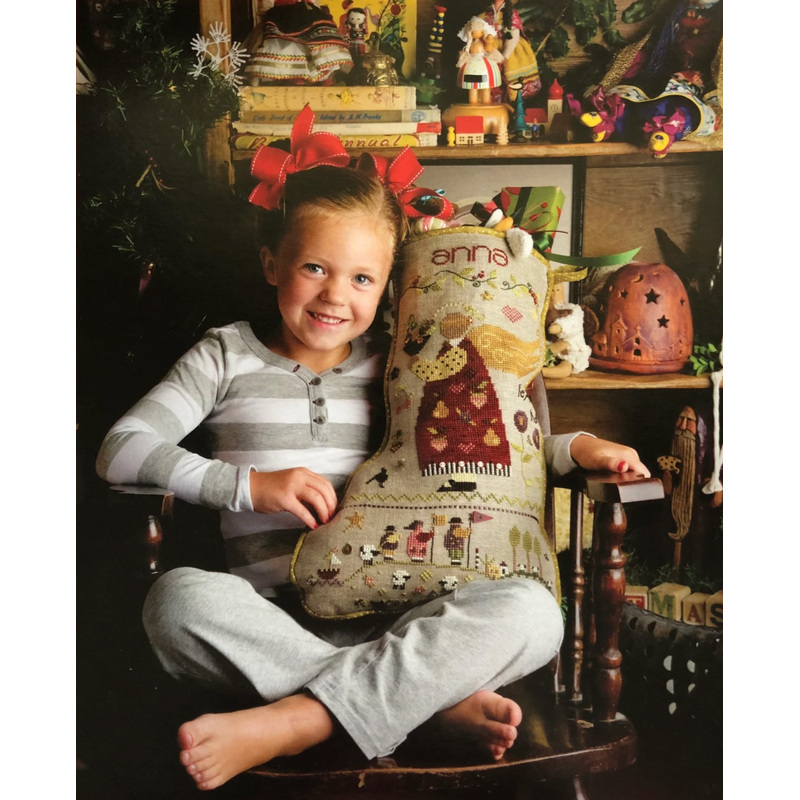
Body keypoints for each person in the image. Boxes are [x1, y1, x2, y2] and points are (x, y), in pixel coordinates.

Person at [96, 109, 650, 792]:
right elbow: (122, 448)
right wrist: (249, 487)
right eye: (314, 267)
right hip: (271, 627)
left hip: (408, 617)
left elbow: (488, 446)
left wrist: (581, 447)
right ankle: (422, 709)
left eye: (362, 279)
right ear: (272, 264)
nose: (335, 295)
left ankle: (300, 719)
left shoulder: (401, 362)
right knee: (176, 601)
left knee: (533, 613)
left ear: (389, 286)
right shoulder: (225, 356)